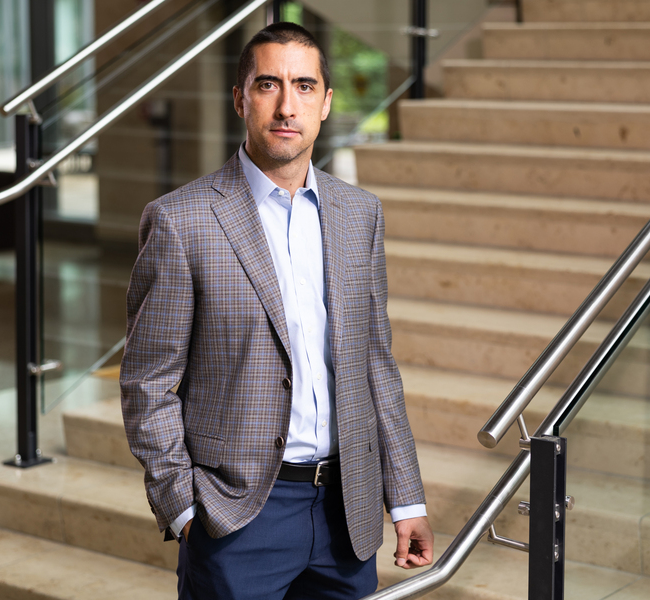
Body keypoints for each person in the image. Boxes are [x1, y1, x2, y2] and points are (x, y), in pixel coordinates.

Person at [120, 22, 433, 599]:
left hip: (348, 512)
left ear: (326, 101)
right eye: (268, 85)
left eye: (305, 86)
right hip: (237, 517)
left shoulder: (358, 213)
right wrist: (185, 508)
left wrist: (405, 496)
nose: (287, 105)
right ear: (240, 98)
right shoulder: (181, 220)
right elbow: (148, 382)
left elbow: (375, 367)